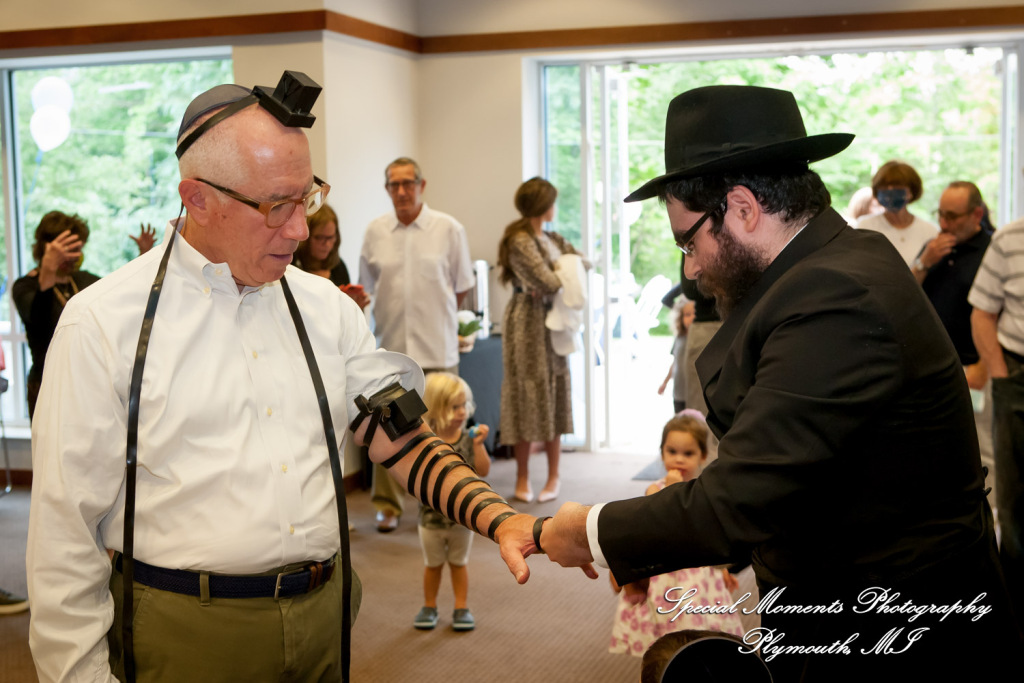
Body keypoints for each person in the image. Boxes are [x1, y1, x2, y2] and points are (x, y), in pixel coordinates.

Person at [25, 74, 541, 683]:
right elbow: (64, 532)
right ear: (197, 199)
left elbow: (399, 440)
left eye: (308, 197)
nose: (300, 229)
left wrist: (500, 517)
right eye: (277, 205)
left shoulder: (329, 310)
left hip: (325, 621)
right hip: (186, 634)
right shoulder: (103, 324)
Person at [536, 85, 1021, 681]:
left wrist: (586, 530)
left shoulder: (835, 295)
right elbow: (797, 467)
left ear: (742, 208)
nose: (690, 267)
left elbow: (743, 498)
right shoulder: (838, 261)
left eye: (689, 241)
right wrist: (675, 519)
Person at [359, 157, 476, 532]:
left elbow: (462, 288)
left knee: (444, 429)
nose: (402, 191)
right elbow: (367, 290)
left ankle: (448, 503)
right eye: (394, 185)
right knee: (385, 427)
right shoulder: (375, 231)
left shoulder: (448, 229)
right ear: (387, 190)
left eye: (409, 183)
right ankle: (388, 505)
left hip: (437, 347)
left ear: (422, 186)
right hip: (392, 350)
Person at [609, 414, 742, 658]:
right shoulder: (655, 489)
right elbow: (655, 523)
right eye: (672, 451)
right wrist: (671, 491)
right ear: (662, 453)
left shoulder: (706, 491)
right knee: (664, 639)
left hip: (698, 575)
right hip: (666, 575)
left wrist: (721, 569)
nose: (679, 458)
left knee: (698, 633)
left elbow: (708, 533)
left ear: (702, 456)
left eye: (688, 453)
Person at [497, 177, 583, 504]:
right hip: (527, 322)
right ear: (543, 204)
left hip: (554, 323)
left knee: (555, 390)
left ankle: (553, 476)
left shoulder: (551, 237)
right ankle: (522, 476)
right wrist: (560, 276)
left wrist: (559, 277)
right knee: (524, 391)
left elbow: (582, 262)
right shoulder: (518, 239)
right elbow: (549, 280)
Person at [969, 216, 1024, 635]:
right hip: (1016, 376)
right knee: (1015, 500)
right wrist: (1002, 377)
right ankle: (1016, 615)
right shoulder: (1010, 238)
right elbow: (983, 312)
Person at [413, 372, 491, 632]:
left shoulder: (468, 438)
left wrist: (479, 445)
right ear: (435, 409)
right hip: (430, 520)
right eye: (454, 406)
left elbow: (483, 470)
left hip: (461, 519)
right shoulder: (426, 441)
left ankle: (461, 606)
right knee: (432, 565)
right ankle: (429, 605)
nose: (462, 412)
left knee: (459, 564)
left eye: (464, 405)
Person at [13, 211, 101, 420]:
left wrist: (143, 256)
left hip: (85, 383)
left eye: (77, 249)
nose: (74, 257)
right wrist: (49, 269)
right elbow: (38, 319)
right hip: (45, 384)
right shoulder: (25, 286)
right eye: (67, 251)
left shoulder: (83, 280)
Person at [915, 181, 991, 388]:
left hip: (973, 364)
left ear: (976, 215)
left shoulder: (992, 251)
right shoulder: (931, 247)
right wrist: (923, 263)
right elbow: (906, 298)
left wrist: (984, 363)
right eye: (940, 214)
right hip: (930, 362)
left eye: (952, 216)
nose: (943, 224)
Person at [855, 160, 938, 265]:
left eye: (897, 187)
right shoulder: (865, 226)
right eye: (884, 187)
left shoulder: (929, 231)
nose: (890, 192)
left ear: (911, 191)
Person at [293, 204, 369, 309]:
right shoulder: (292, 265)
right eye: (319, 238)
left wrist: (354, 308)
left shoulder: (338, 267)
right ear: (306, 236)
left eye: (330, 237)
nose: (327, 244)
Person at [657, 300, 695, 414]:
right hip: (679, 392)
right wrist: (665, 382)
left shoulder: (699, 340)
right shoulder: (679, 338)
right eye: (687, 315)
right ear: (681, 318)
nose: (691, 318)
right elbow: (675, 362)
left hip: (693, 392)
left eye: (694, 314)